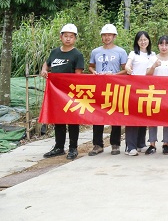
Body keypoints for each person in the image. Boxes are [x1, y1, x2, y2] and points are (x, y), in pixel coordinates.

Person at [41, 24, 85, 160]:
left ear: (75, 38)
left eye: (71, 36)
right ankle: (59, 147)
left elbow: (78, 75)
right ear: (61, 37)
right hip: (56, 92)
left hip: (71, 93)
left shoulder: (77, 55)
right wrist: (44, 70)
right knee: (58, 119)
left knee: (72, 120)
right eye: (66, 36)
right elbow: (47, 64)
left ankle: (73, 148)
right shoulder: (54, 52)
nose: (68, 39)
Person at [88, 23, 128, 156]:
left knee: (115, 115)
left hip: (115, 87)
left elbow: (126, 70)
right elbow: (91, 66)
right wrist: (94, 72)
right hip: (99, 87)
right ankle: (97, 145)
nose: (107, 37)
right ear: (101, 37)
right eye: (104, 35)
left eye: (109, 35)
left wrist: (114, 75)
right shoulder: (95, 51)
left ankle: (115, 144)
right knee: (97, 115)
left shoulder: (121, 52)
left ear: (114, 36)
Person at [145, 35, 168, 155]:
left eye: (166, 44)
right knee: (153, 117)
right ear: (158, 45)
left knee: (167, 118)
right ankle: (152, 144)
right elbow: (147, 74)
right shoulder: (153, 58)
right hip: (154, 92)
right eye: (161, 44)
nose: (164, 47)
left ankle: (166, 144)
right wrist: (154, 66)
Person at [125, 31, 156, 156]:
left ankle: (141, 144)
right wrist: (128, 67)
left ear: (149, 40)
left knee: (143, 116)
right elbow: (128, 65)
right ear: (137, 42)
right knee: (133, 117)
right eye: (140, 40)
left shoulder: (152, 54)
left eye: (145, 39)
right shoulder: (133, 54)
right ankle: (130, 146)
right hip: (134, 89)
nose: (143, 42)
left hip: (147, 89)